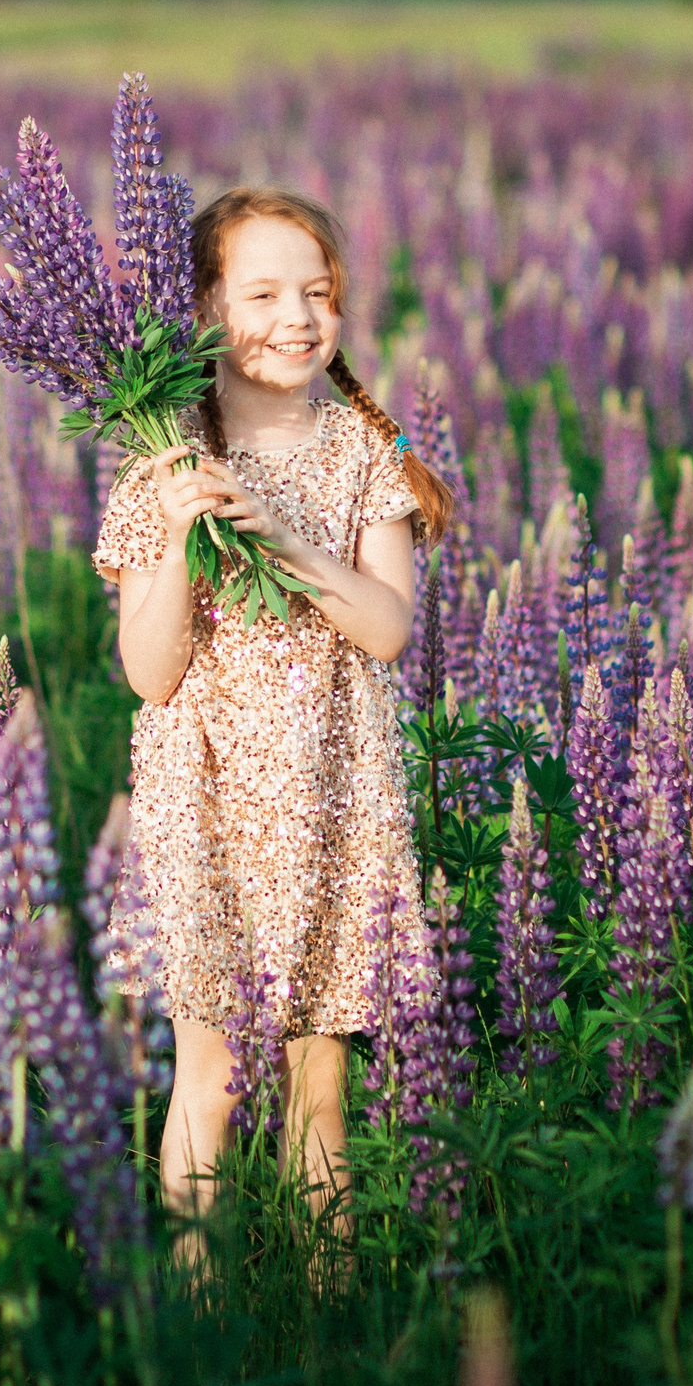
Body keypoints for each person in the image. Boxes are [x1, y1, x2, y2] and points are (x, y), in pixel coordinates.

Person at [89, 183, 457, 1273]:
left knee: (319, 1085)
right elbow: (149, 674)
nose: (296, 316)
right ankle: (199, 1319)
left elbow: (388, 629)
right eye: (262, 293)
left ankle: (328, 1302)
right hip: (201, 796)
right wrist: (177, 526)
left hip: (337, 795)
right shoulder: (163, 458)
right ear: (203, 307)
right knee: (208, 1074)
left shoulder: (361, 453)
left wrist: (281, 537)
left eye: (318, 292)